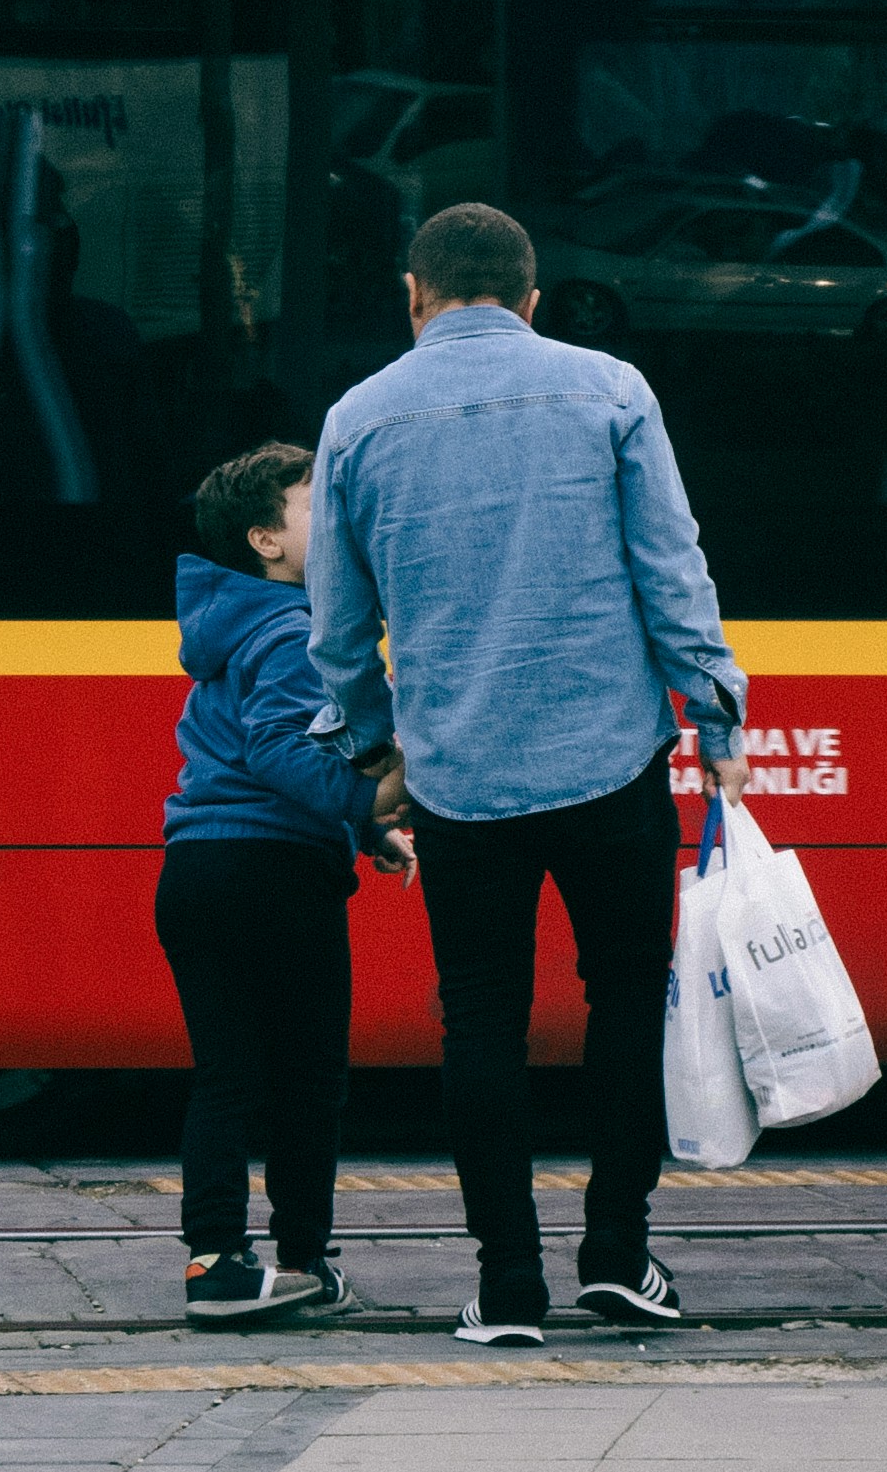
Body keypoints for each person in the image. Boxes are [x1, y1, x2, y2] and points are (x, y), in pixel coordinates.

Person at [304, 203, 749, 1348]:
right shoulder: (607, 389)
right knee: (621, 1011)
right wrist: (711, 706)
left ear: (414, 295)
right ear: (530, 296)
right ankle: (616, 1255)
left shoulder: (356, 419)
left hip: (457, 784)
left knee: (480, 1028)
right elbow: (668, 563)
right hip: (610, 767)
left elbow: (340, 627)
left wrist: (372, 748)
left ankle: (506, 1285)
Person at [157, 441, 411, 1325]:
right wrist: (365, 795)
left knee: (227, 1076)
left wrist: (362, 828)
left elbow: (242, 750)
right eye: (316, 507)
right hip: (272, 874)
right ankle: (304, 1256)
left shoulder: (230, 624)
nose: (336, 522)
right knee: (310, 1079)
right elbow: (278, 749)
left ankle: (215, 1260)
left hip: (198, 867)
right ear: (267, 537)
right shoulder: (292, 627)